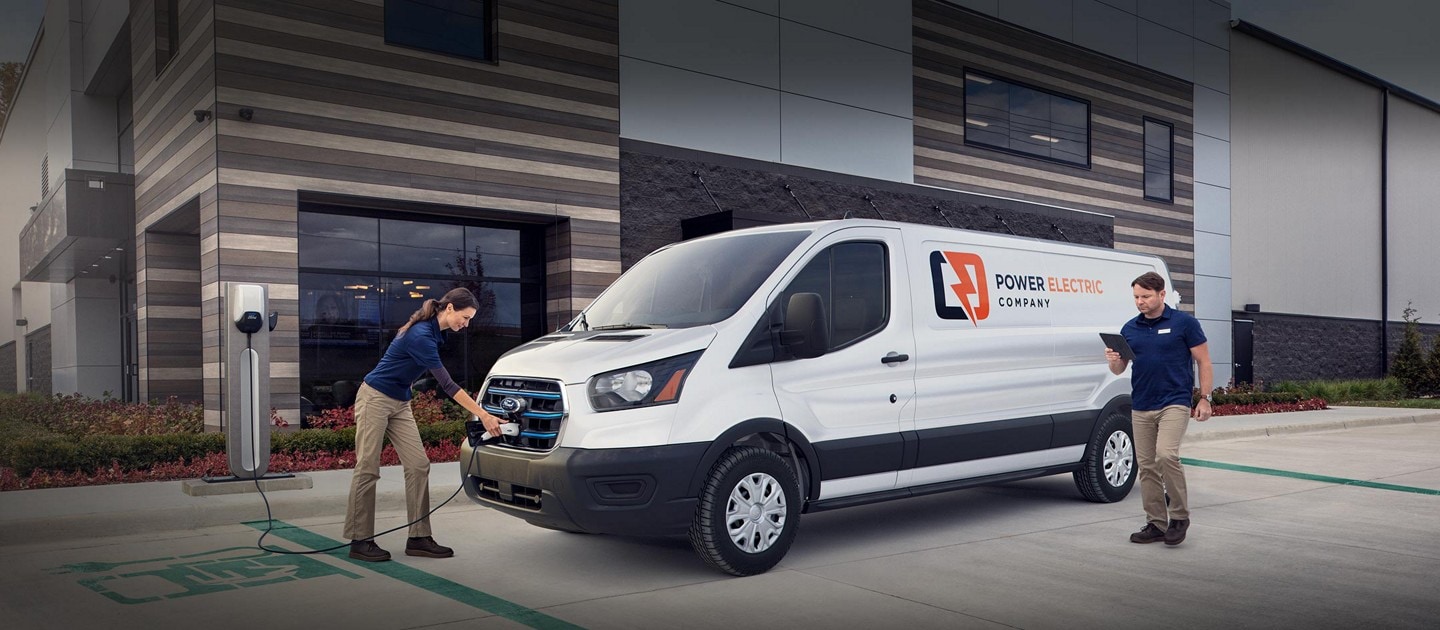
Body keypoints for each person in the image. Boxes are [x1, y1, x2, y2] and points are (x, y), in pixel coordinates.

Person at [344, 287, 505, 562]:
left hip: (400, 401)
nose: (465, 325)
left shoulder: (433, 331)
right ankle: (360, 540)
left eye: (469, 321)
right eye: (464, 318)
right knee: (368, 467)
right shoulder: (421, 335)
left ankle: (418, 537)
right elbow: (448, 385)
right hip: (375, 398)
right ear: (450, 308)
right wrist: (484, 415)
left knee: (419, 465)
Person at [1105, 271, 1213, 547]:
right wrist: (1113, 359)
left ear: (1162, 294)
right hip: (1141, 403)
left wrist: (1205, 398)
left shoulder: (1184, 324)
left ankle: (1179, 517)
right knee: (1147, 466)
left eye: (1145, 296)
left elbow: (1204, 361)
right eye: (1136, 297)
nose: (1140, 302)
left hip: (1174, 401)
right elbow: (1119, 369)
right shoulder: (1130, 329)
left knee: (1166, 455)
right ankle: (1156, 523)